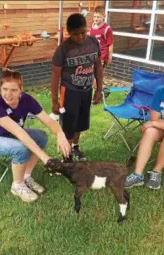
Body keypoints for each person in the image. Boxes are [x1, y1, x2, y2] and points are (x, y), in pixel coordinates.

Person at [0, 69, 71, 203]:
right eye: (4, 89)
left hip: (5, 135)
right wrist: (45, 158)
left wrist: (60, 133)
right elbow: (19, 133)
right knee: (20, 148)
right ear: (0, 89)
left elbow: (47, 120)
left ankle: (26, 176)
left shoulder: (27, 100)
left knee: (41, 137)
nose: (8, 94)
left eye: (13, 90)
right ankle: (17, 186)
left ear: (21, 90)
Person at [51, 13, 103, 162]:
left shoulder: (93, 42)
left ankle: (75, 148)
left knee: (80, 122)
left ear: (87, 29)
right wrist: (54, 100)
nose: (80, 37)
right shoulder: (63, 49)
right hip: (69, 91)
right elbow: (55, 76)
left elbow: (98, 66)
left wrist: (99, 89)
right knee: (69, 124)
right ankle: (66, 158)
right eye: (75, 34)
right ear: (68, 32)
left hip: (87, 90)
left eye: (83, 32)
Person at [89, 7, 114, 105]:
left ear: (104, 16)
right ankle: (103, 91)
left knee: (97, 77)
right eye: (94, 17)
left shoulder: (107, 29)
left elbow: (110, 44)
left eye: (98, 17)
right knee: (90, 76)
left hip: (102, 57)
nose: (95, 19)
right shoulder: (92, 26)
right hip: (91, 56)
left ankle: (97, 96)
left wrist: (109, 57)